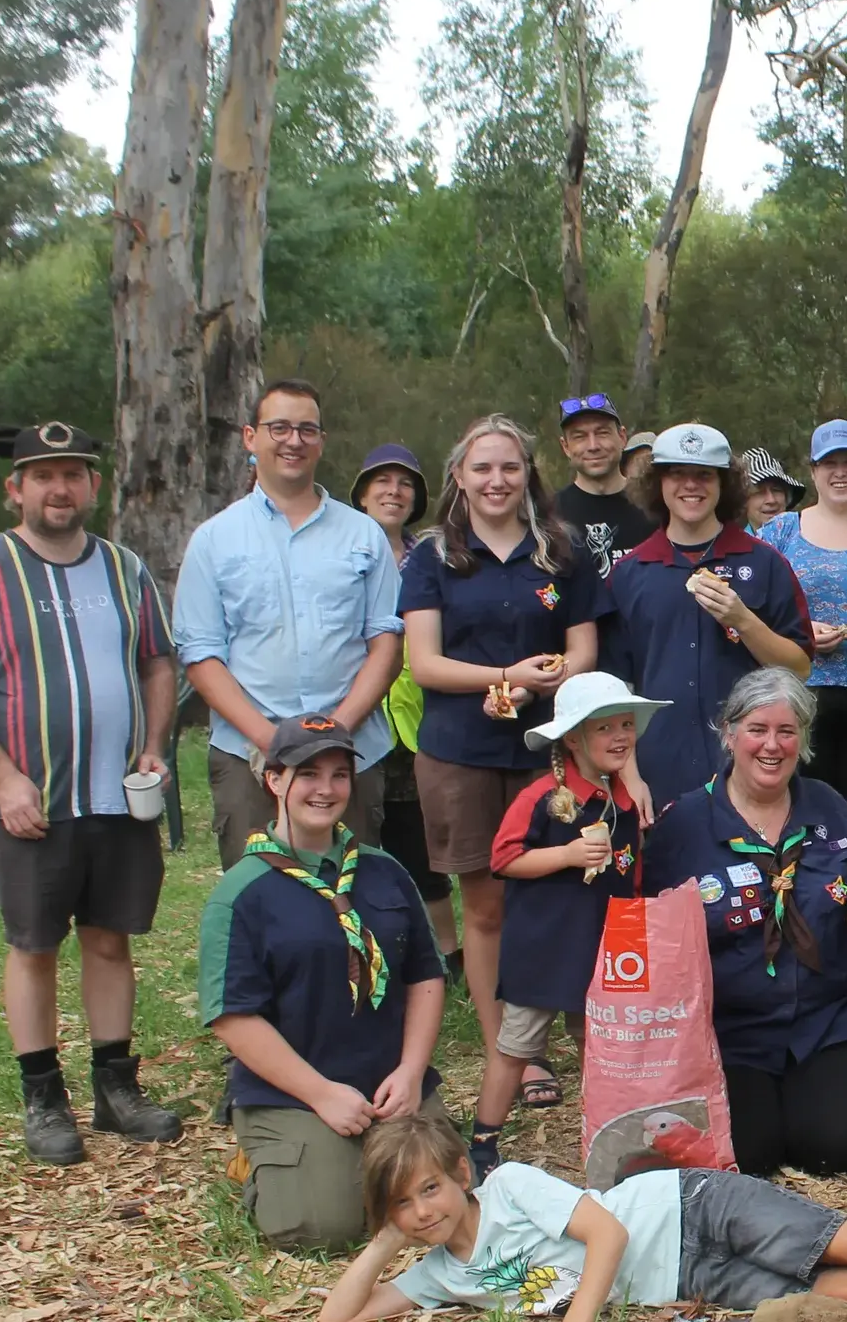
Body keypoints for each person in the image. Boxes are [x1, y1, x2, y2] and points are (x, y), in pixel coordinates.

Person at [0, 421, 183, 1165]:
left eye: (72, 474)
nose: (59, 488)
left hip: (119, 797)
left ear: (92, 487)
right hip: (31, 800)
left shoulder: (124, 569)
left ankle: (116, 1088)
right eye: (43, 475)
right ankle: (43, 1096)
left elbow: (158, 663)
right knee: (34, 945)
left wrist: (155, 746)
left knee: (110, 939)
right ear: (17, 489)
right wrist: (3, 776)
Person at [319, 1114, 847, 1321]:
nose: (423, 1212)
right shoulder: (439, 1276)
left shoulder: (511, 1189)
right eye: (403, 1204)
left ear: (463, 1175)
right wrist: (385, 1243)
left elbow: (604, 1235)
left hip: (689, 1207)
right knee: (842, 1293)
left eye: (429, 1190)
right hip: (688, 1274)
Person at [398, 414, 608, 1102]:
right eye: (482, 468)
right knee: (486, 907)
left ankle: (585, 1039)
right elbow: (423, 662)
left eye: (510, 467)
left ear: (528, 475)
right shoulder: (432, 556)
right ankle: (512, 1052)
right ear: (459, 476)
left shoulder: (561, 549)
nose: (497, 480)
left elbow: (583, 647)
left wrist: (553, 675)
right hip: (460, 754)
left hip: (547, 749)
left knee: (554, 898)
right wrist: (502, 679)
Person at [199, 715, 446, 1250]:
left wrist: (411, 1071)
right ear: (274, 780)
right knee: (321, 1230)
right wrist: (321, 1094)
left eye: (339, 774)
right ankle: (263, 1163)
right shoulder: (243, 892)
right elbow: (233, 1016)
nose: (326, 789)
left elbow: (425, 975)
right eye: (308, 774)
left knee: (440, 1210)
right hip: (296, 1093)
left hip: (389, 1085)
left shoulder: (384, 871)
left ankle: (351, 1157)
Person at [639, 670, 847, 1177]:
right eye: (757, 729)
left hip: (826, 1021)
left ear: (803, 740)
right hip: (729, 1030)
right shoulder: (683, 824)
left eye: (787, 731)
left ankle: (805, 1103)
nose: (772, 745)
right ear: (728, 734)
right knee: (747, 1156)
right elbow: (651, 935)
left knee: (838, 1148)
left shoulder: (828, 808)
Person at [176, 378, 404, 866]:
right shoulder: (214, 539)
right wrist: (273, 742)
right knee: (259, 901)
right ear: (249, 437)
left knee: (353, 899)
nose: (293, 441)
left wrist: (332, 736)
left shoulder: (363, 536)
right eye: (278, 427)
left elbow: (385, 643)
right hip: (249, 755)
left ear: (322, 440)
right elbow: (200, 654)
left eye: (306, 429)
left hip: (351, 753)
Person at [471, 672, 667, 1178]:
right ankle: (483, 1141)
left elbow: (631, 873)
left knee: (599, 1043)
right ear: (574, 738)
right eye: (606, 728)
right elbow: (503, 858)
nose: (621, 736)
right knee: (517, 1045)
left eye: (627, 724)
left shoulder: (623, 797)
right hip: (544, 948)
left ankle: (604, 1128)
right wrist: (566, 854)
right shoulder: (542, 797)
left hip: (604, 946)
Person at [608, 422, 815, 808]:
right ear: (657, 483)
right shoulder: (629, 573)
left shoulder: (765, 563)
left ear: (725, 484)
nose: (691, 486)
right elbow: (616, 689)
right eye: (677, 474)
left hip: (750, 772)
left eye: (704, 475)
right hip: (658, 774)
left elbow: (799, 668)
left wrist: (743, 618)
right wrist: (629, 776)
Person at [352, 443, 459, 969]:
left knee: (423, 844)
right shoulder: (342, 552)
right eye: (381, 482)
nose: (393, 492)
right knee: (365, 842)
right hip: (361, 719)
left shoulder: (434, 556)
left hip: (420, 723)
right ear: (362, 494)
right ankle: (371, 947)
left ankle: (448, 951)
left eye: (404, 483)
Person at [758, 420, 847, 812]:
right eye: (829, 464)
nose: (840, 473)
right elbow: (751, 608)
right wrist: (799, 631)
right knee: (800, 809)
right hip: (797, 697)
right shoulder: (781, 531)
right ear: (813, 471)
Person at [554, 394, 655, 584]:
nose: (593, 446)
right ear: (565, 447)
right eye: (579, 437)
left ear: (622, 437)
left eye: (602, 433)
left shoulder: (657, 506)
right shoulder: (548, 515)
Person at [741, 446, 807, 531]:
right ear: (743, 501)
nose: (771, 500)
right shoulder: (734, 543)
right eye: (759, 492)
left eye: (776, 490)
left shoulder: (808, 538)